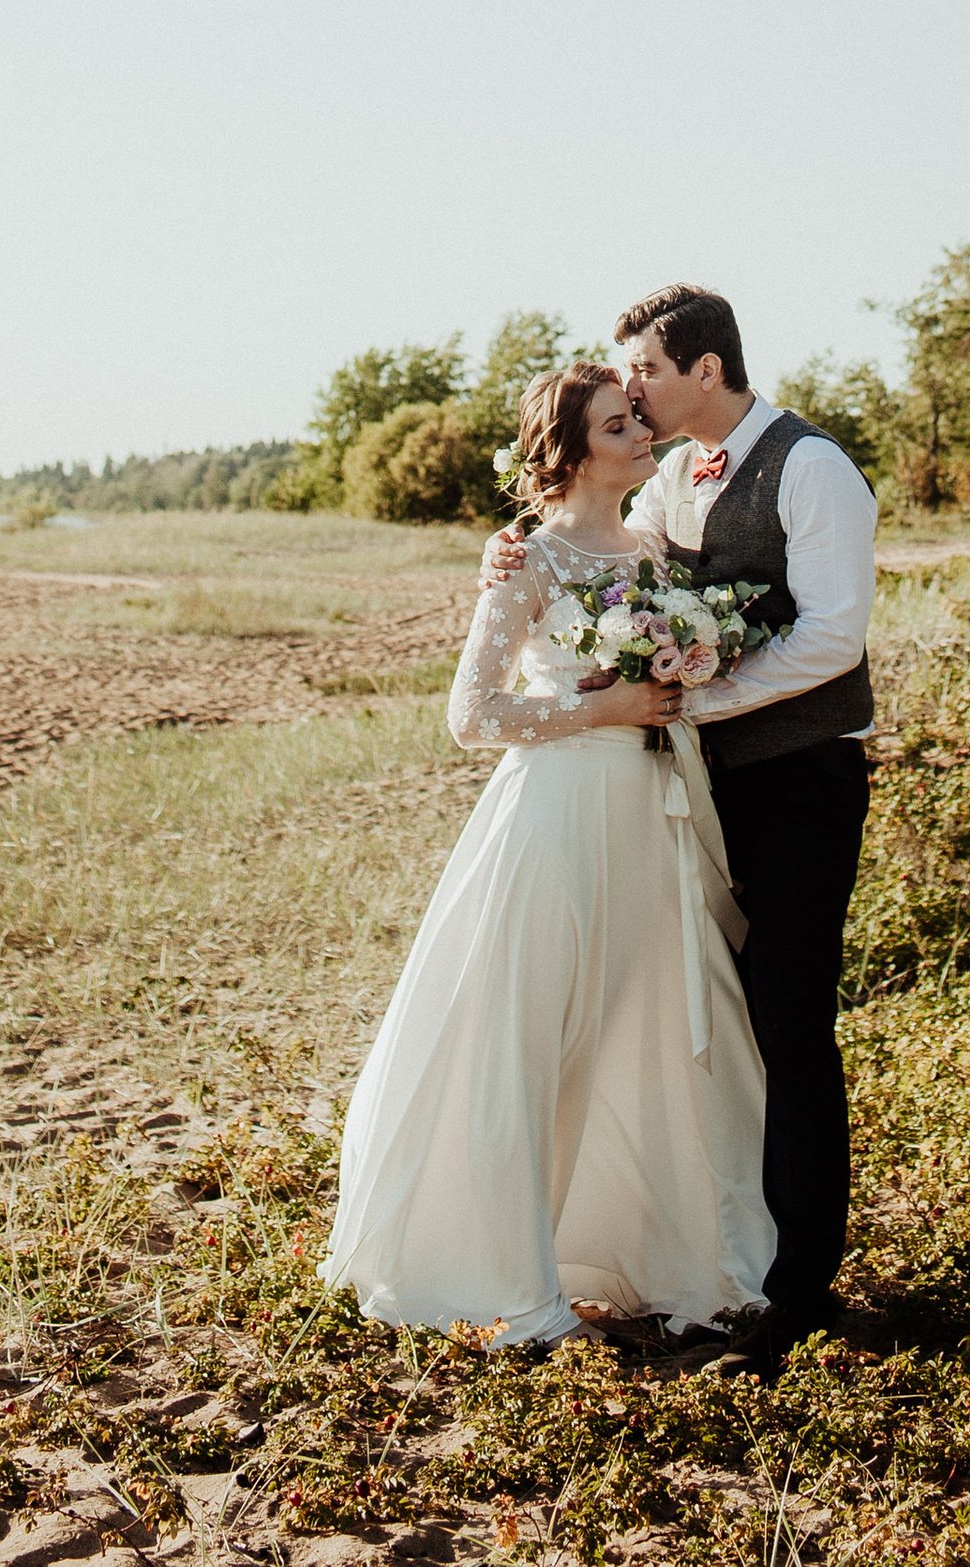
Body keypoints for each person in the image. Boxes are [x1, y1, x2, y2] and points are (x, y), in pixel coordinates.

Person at [322, 363, 775, 1347]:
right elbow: (470, 715)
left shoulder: (653, 543)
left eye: (635, 420)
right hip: (559, 814)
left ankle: (655, 1250)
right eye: (619, 426)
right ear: (569, 452)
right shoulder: (526, 560)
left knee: (654, 1028)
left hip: (649, 816)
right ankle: (506, 1271)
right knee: (529, 1034)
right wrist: (603, 707)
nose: (640, 436)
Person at [481, 284, 878, 1361]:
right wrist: (516, 555)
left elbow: (834, 637)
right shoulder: (671, 491)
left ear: (705, 370)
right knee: (709, 1018)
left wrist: (696, 697)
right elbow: (603, 561)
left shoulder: (812, 467)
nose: (635, 396)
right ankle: (712, 1242)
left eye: (646, 374)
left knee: (790, 1025)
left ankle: (799, 1289)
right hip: (686, 796)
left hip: (800, 784)